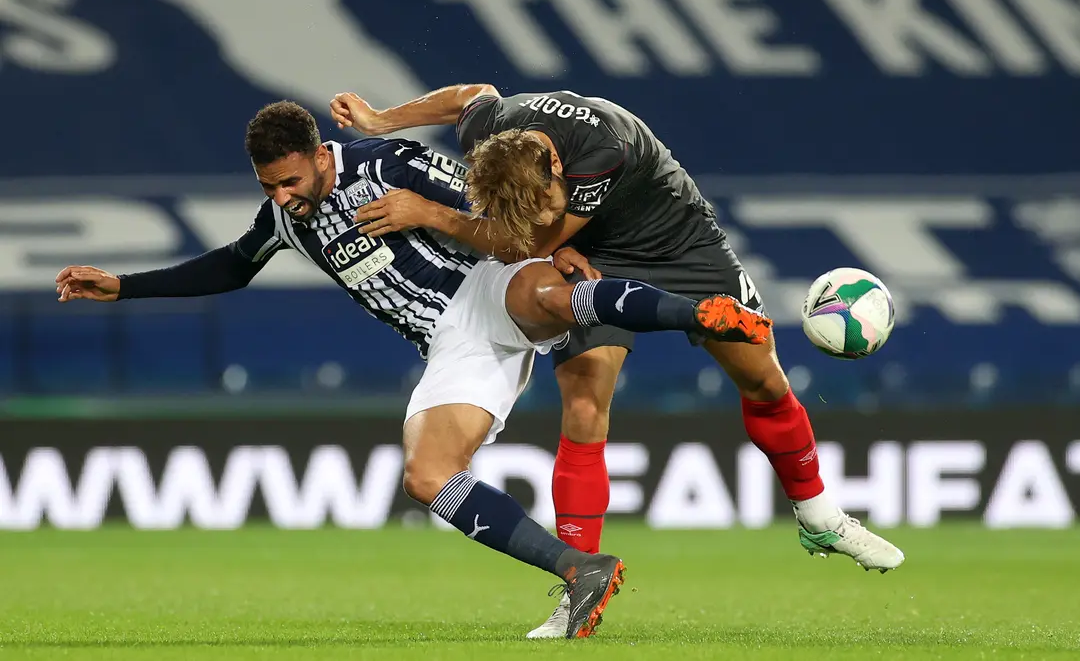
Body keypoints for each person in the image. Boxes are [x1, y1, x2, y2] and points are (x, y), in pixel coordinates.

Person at [53, 100, 773, 640]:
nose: (282, 196)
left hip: (486, 287)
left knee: (546, 293)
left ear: (319, 154)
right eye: (269, 186)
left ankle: (700, 314)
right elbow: (229, 267)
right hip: (448, 345)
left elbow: (500, 211)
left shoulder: (386, 163)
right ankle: (579, 570)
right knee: (425, 476)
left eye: (290, 180)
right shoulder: (285, 219)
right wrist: (125, 285)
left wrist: (473, 226)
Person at [329, 86, 907, 639]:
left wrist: (434, 213)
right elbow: (469, 96)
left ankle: (820, 517)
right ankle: (578, 584)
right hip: (593, 255)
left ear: (557, 168)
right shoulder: (497, 128)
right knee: (583, 405)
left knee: (762, 380)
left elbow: (525, 245)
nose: (539, 213)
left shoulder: (602, 149)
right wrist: (383, 120)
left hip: (678, 239)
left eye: (545, 204)